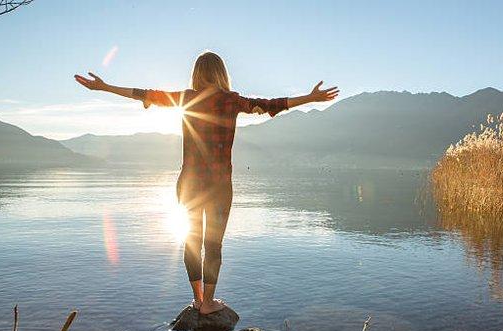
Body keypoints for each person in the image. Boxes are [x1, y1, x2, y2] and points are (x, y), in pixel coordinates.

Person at [75, 51, 339, 314]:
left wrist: (105, 87)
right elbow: (271, 104)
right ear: (222, 73)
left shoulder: (186, 99)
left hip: (188, 183)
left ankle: (198, 299)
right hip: (219, 185)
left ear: (197, 74)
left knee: (191, 240)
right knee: (213, 245)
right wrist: (311, 97)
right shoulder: (232, 101)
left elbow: (144, 93)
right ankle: (209, 303)